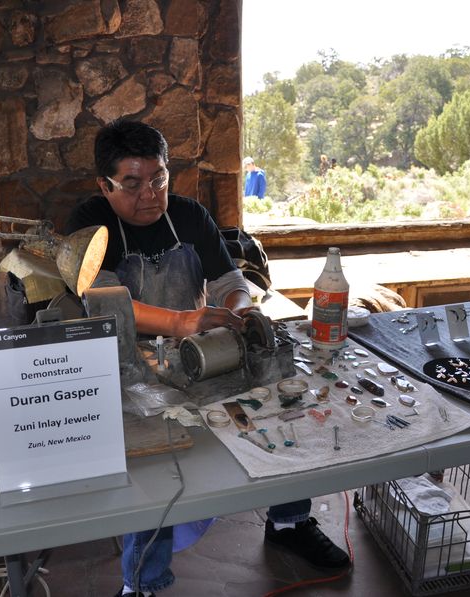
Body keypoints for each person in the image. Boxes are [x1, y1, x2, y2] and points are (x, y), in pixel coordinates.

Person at [67, 121, 349, 597]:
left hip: (203, 353)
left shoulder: (190, 216)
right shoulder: (89, 226)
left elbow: (228, 283)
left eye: (158, 179)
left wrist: (241, 310)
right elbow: (103, 300)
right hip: (128, 364)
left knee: (282, 400)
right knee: (155, 467)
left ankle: (290, 521)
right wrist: (180, 322)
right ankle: (143, 583)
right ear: (104, 185)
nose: (150, 195)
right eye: (131, 184)